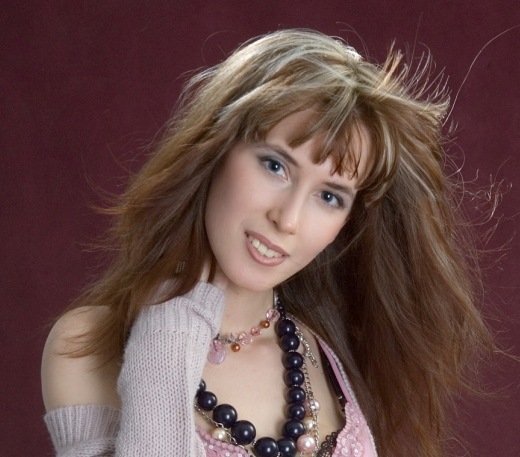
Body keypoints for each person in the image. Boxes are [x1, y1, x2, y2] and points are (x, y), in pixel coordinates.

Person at [41, 29, 494, 457]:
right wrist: (172, 319)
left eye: (330, 196)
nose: (288, 219)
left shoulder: (327, 349)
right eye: (275, 166)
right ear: (215, 147)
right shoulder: (88, 346)